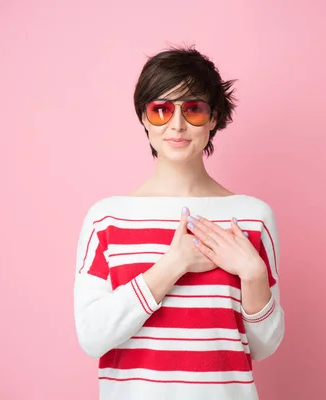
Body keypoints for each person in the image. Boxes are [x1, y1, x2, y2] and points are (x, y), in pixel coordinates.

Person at [73, 46, 285, 400]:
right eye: (161, 110)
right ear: (144, 117)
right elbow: (92, 337)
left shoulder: (252, 217)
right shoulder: (106, 219)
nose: (177, 125)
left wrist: (253, 274)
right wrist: (172, 265)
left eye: (193, 109)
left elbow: (263, 347)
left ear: (213, 118)